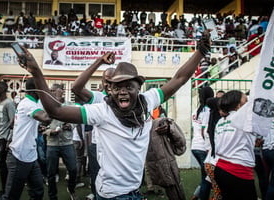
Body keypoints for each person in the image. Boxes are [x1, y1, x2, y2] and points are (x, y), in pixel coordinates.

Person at [17, 30, 211, 199]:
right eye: (117, 87)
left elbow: (179, 78)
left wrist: (200, 53)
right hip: (112, 194)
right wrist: (36, 72)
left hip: (133, 189)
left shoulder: (148, 100)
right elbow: (56, 110)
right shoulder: (102, 111)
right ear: (110, 90)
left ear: (139, 88)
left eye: (129, 86)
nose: (122, 91)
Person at [1, 78, 52, 200]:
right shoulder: (29, 104)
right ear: (37, 90)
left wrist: (33, 128)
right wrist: (53, 106)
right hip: (19, 156)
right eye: (43, 88)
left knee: (37, 191)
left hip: (30, 156)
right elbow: (46, 118)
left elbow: (13, 123)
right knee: (11, 196)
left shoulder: (29, 102)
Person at [72, 66, 116, 200]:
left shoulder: (122, 96)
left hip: (114, 146)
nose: (108, 84)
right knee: (95, 171)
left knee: (112, 174)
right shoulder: (98, 97)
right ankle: (95, 193)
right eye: (105, 80)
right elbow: (76, 88)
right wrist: (99, 62)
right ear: (102, 82)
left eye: (112, 80)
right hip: (96, 145)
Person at [214, 90, 258, 200]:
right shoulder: (244, 118)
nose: (248, 103)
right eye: (245, 101)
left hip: (220, 168)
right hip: (238, 170)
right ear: (238, 105)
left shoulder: (221, 121)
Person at [42, 83, 78, 200]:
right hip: (52, 144)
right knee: (51, 173)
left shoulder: (69, 105)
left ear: (61, 91)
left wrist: (70, 126)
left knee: (73, 168)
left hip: (67, 142)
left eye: (54, 90)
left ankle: (71, 188)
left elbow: (76, 120)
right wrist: (49, 131)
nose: (51, 93)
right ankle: (53, 196)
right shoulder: (46, 106)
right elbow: (40, 126)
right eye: (51, 91)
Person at [146, 116, 186, 200]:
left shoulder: (159, 123)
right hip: (156, 167)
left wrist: (169, 128)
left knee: (175, 189)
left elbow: (180, 144)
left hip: (167, 166)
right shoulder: (137, 128)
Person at [191, 86, 214, 200]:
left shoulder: (197, 110)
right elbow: (204, 131)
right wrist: (208, 147)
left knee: (206, 176)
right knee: (207, 178)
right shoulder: (208, 110)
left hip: (195, 146)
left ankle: (196, 195)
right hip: (203, 148)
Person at [0, 81, 16, 199]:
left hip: (3, 138)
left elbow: (13, 122)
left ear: (3, 89)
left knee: (2, 165)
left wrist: (9, 139)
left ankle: (5, 191)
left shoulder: (9, 103)